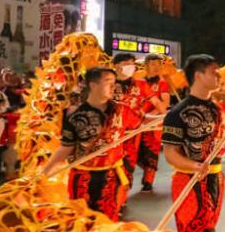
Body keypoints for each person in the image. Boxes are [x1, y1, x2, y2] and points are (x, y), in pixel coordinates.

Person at [161, 55, 225, 232]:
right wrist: (193, 165)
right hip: (190, 182)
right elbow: (170, 153)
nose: (219, 76)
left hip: (215, 179)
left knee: (209, 228)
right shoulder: (177, 113)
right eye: (213, 72)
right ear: (199, 76)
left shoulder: (218, 109)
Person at [41, 67, 129, 220]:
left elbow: (143, 122)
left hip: (111, 176)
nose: (113, 87)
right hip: (83, 177)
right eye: (108, 82)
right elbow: (66, 147)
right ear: (93, 85)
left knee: (108, 222)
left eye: (114, 83)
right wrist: (45, 173)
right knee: (83, 221)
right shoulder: (74, 116)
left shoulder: (121, 109)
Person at [112, 53, 149, 192]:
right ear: (117, 66)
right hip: (113, 133)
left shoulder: (139, 85)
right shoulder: (108, 83)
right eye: (127, 64)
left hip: (133, 132)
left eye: (132, 64)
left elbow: (148, 105)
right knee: (113, 165)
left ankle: (122, 198)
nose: (131, 67)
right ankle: (113, 195)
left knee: (128, 164)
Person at [137, 54, 172, 192]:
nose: (156, 67)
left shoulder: (162, 83)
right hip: (138, 121)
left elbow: (165, 103)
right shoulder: (139, 82)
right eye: (153, 64)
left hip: (154, 123)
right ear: (146, 65)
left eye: (158, 64)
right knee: (136, 151)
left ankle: (148, 180)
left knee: (151, 152)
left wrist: (151, 117)